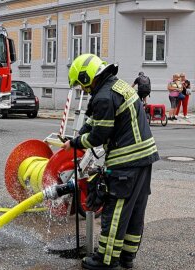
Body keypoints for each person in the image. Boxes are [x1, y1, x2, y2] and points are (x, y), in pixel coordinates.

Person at [64, 54, 159, 270]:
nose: (82, 89)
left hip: (127, 160)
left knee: (115, 210)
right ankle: (127, 257)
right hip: (144, 157)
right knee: (134, 210)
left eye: (81, 84)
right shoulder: (116, 86)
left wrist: (76, 142)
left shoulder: (104, 96)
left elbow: (98, 136)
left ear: (87, 78)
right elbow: (93, 120)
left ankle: (106, 260)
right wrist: (79, 134)